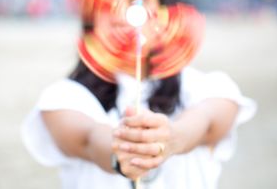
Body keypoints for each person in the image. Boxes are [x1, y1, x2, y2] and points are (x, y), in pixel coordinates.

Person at [21, 58, 256, 189]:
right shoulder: (64, 96)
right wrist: (121, 152)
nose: (124, 11)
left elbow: (209, 120)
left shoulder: (202, 86)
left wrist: (173, 137)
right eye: (109, 3)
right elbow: (87, 139)